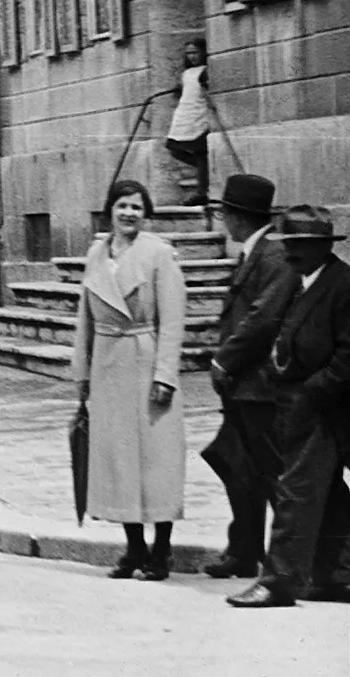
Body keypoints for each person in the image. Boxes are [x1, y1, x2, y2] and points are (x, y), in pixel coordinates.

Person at [225, 205, 350, 608]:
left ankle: (279, 581)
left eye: (300, 245)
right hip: (299, 401)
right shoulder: (300, 279)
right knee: (327, 493)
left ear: (322, 247)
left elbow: (348, 355)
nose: (291, 252)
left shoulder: (342, 284)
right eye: (289, 243)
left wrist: (313, 390)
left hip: (324, 406)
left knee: (295, 490)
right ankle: (337, 576)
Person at [73, 179, 187, 580]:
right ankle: (134, 547)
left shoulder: (159, 254)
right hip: (108, 365)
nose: (129, 214)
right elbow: (84, 317)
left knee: (157, 458)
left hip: (145, 360)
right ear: (109, 211)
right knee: (118, 460)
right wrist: (82, 374)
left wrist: (166, 374)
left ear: (146, 213)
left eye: (137, 208)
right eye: (122, 206)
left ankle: (162, 549)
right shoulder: (95, 253)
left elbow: (173, 320)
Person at [204, 172, 289, 579]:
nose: (222, 220)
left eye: (224, 213)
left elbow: (261, 320)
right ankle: (244, 550)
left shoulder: (271, 257)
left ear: (236, 217)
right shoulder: (257, 252)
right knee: (239, 468)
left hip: (258, 389)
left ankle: (284, 561)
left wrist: (224, 361)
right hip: (243, 388)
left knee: (271, 476)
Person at [164, 38, 211, 206]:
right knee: (174, 148)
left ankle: (201, 190)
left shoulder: (204, 71)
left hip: (198, 114)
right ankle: (205, 169)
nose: (192, 57)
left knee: (200, 151)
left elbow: (206, 91)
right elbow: (183, 89)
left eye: (195, 53)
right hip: (184, 114)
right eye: (189, 53)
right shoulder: (186, 73)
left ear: (203, 53)